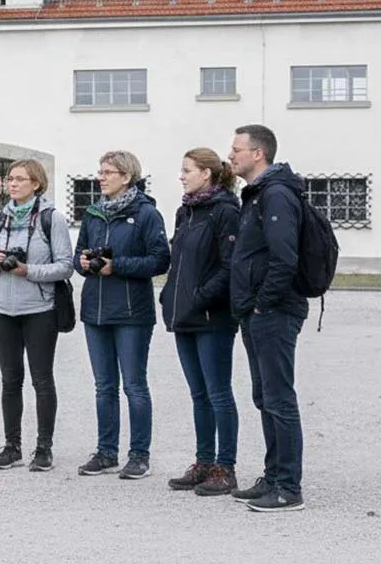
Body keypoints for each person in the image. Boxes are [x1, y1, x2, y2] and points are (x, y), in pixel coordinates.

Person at [73, 150, 170, 480]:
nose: (101, 177)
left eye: (108, 172)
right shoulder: (93, 213)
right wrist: (83, 264)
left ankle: (139, 455)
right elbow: (78, 254)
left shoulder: (146, 214)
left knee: (134, 386)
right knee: (104, 387)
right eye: (99, 171)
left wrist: (120, 266)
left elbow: (160, 260)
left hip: (131, 312)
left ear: (126, 176)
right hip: (94, 311)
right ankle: (106, 452)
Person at [227, 124, 308, 512]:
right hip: (256, 310)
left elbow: (284, 258)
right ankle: (273, 477)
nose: (231, 155)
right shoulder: (256, 195)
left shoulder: (275, 194)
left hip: (274, 311)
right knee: (265, 397)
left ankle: (289, 488)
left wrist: (262, 303)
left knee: (279, 398)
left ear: (258, 153)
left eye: (237, 149)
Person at [0, 159, 74, 472]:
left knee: (42, 380)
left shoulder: (51, 219)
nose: (13, 184)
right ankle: (11, 446)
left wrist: (27, 270)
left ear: (37, 183)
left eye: (21, 179)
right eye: (10, 178)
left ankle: (43, 448)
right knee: (9, 380)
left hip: (39, 310)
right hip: (2, 310)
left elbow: (65, 266)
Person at [160, 148, 242, 497]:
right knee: (198, 394)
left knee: (218, 392)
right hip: (185, 316)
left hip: (212, 316)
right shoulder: (186, 211)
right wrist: (169, 296)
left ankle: (225, 466)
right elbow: (177, 262)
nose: (181, 175)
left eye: (187, 170)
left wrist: (200, 297)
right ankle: (204, 462)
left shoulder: (225, 211)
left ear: (206, 174)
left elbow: (230, 266)